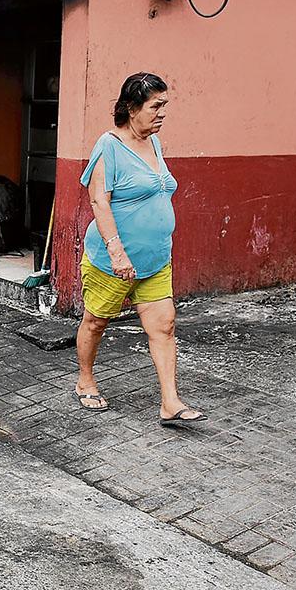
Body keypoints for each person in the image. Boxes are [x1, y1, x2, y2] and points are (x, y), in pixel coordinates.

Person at [74, 73, 205, 425]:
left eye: (165, 105)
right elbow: (100, 201)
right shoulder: (109, 145)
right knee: (96, 321)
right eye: (155, 106)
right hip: (114, 261)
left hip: (156, 258)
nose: (162, 113)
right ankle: (85, 379)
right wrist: (117, 252)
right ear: (132, 108)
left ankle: (170, 402)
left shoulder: (154, 143)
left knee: (164, 326)